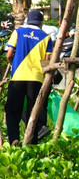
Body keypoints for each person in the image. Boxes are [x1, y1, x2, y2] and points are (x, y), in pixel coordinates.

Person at [5, 9, 52, 144]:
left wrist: (13, 64)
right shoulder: (46, 37)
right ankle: (32, 143)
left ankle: (14, 138)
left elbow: (9, 54)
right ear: (41, 23)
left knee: (12, 109)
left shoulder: (18, 32)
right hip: (36, 78)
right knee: (34, 112)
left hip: (18, 76)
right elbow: (46, 61)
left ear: (28, 21)